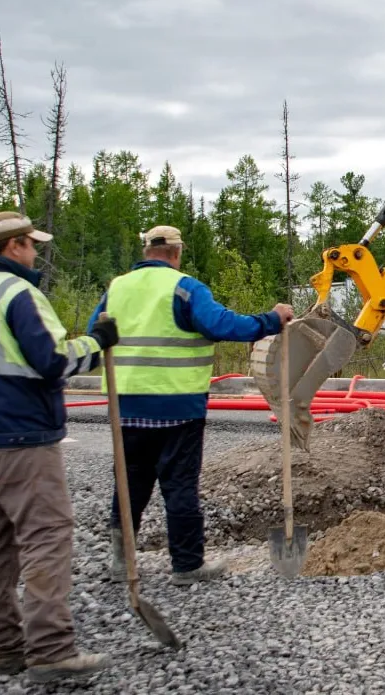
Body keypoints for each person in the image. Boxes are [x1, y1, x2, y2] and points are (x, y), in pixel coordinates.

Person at [0, 212, 118, 683]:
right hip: (23, 434)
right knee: (46, 534)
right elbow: (51, 360)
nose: (35, 252)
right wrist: (96, 340)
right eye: (30, 244)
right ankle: (50, 649)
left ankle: (3, 649)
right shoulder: (18, 294)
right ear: (13, 246)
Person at [87, 226, 293, 585]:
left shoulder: (116, 289)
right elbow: (221, 324)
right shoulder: (184, 288)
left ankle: (122, 562)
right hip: (176, 406)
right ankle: (186, 564)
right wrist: (271, 320)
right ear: (176, 252)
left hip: (126, 407)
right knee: (179, 485)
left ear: (146, 251)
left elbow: (94, 340)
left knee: (129, 482)